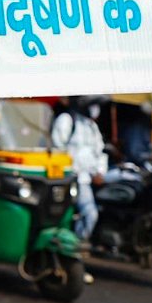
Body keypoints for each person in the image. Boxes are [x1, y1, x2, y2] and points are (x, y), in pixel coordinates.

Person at [51, 96, 109, 243]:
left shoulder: (92, 126)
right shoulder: (67, 120)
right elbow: (58, 149)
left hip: (90, 178)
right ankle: (76, 243)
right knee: (89, 213)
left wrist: (100, 172)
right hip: (73, 178)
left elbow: (100, 153)